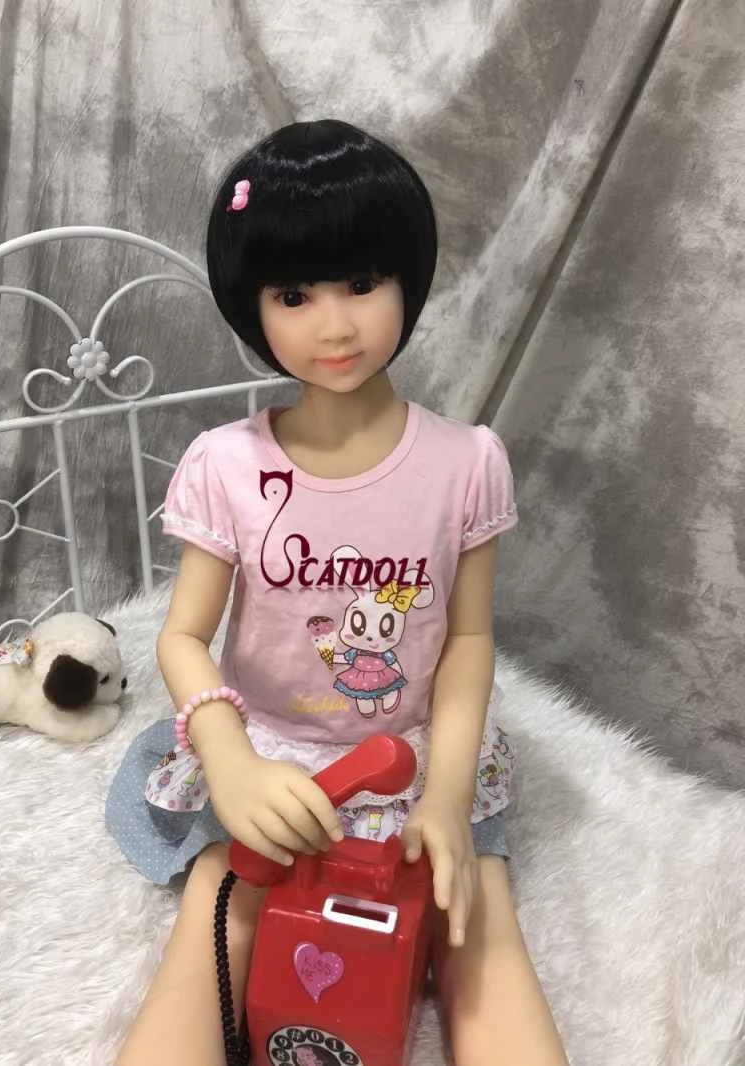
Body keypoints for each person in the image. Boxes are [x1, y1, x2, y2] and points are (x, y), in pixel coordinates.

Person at [106, 119, 568, 1066]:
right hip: (271, 755)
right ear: (254, 307)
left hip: (416, 757)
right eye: (293, 295)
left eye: (361, 283)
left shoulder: (466, 463)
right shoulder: (227, 465)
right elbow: (183, 637)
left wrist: (447, 796)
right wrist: (231, 762)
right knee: (222, 915)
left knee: (476, 920)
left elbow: (468, 640)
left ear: (407, 280)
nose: (335, 325)